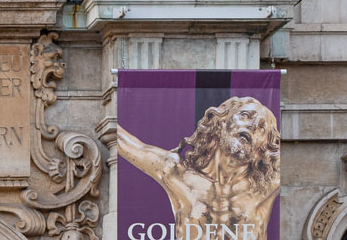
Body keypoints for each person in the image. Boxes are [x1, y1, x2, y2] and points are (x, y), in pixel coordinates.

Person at [118, 97, 281, 240]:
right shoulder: (178, 174)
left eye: (261, 128)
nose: (252, 126)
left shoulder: (266, 188)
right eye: (245, 116)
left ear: (263, 147)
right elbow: (129, 145)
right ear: (222, 121)